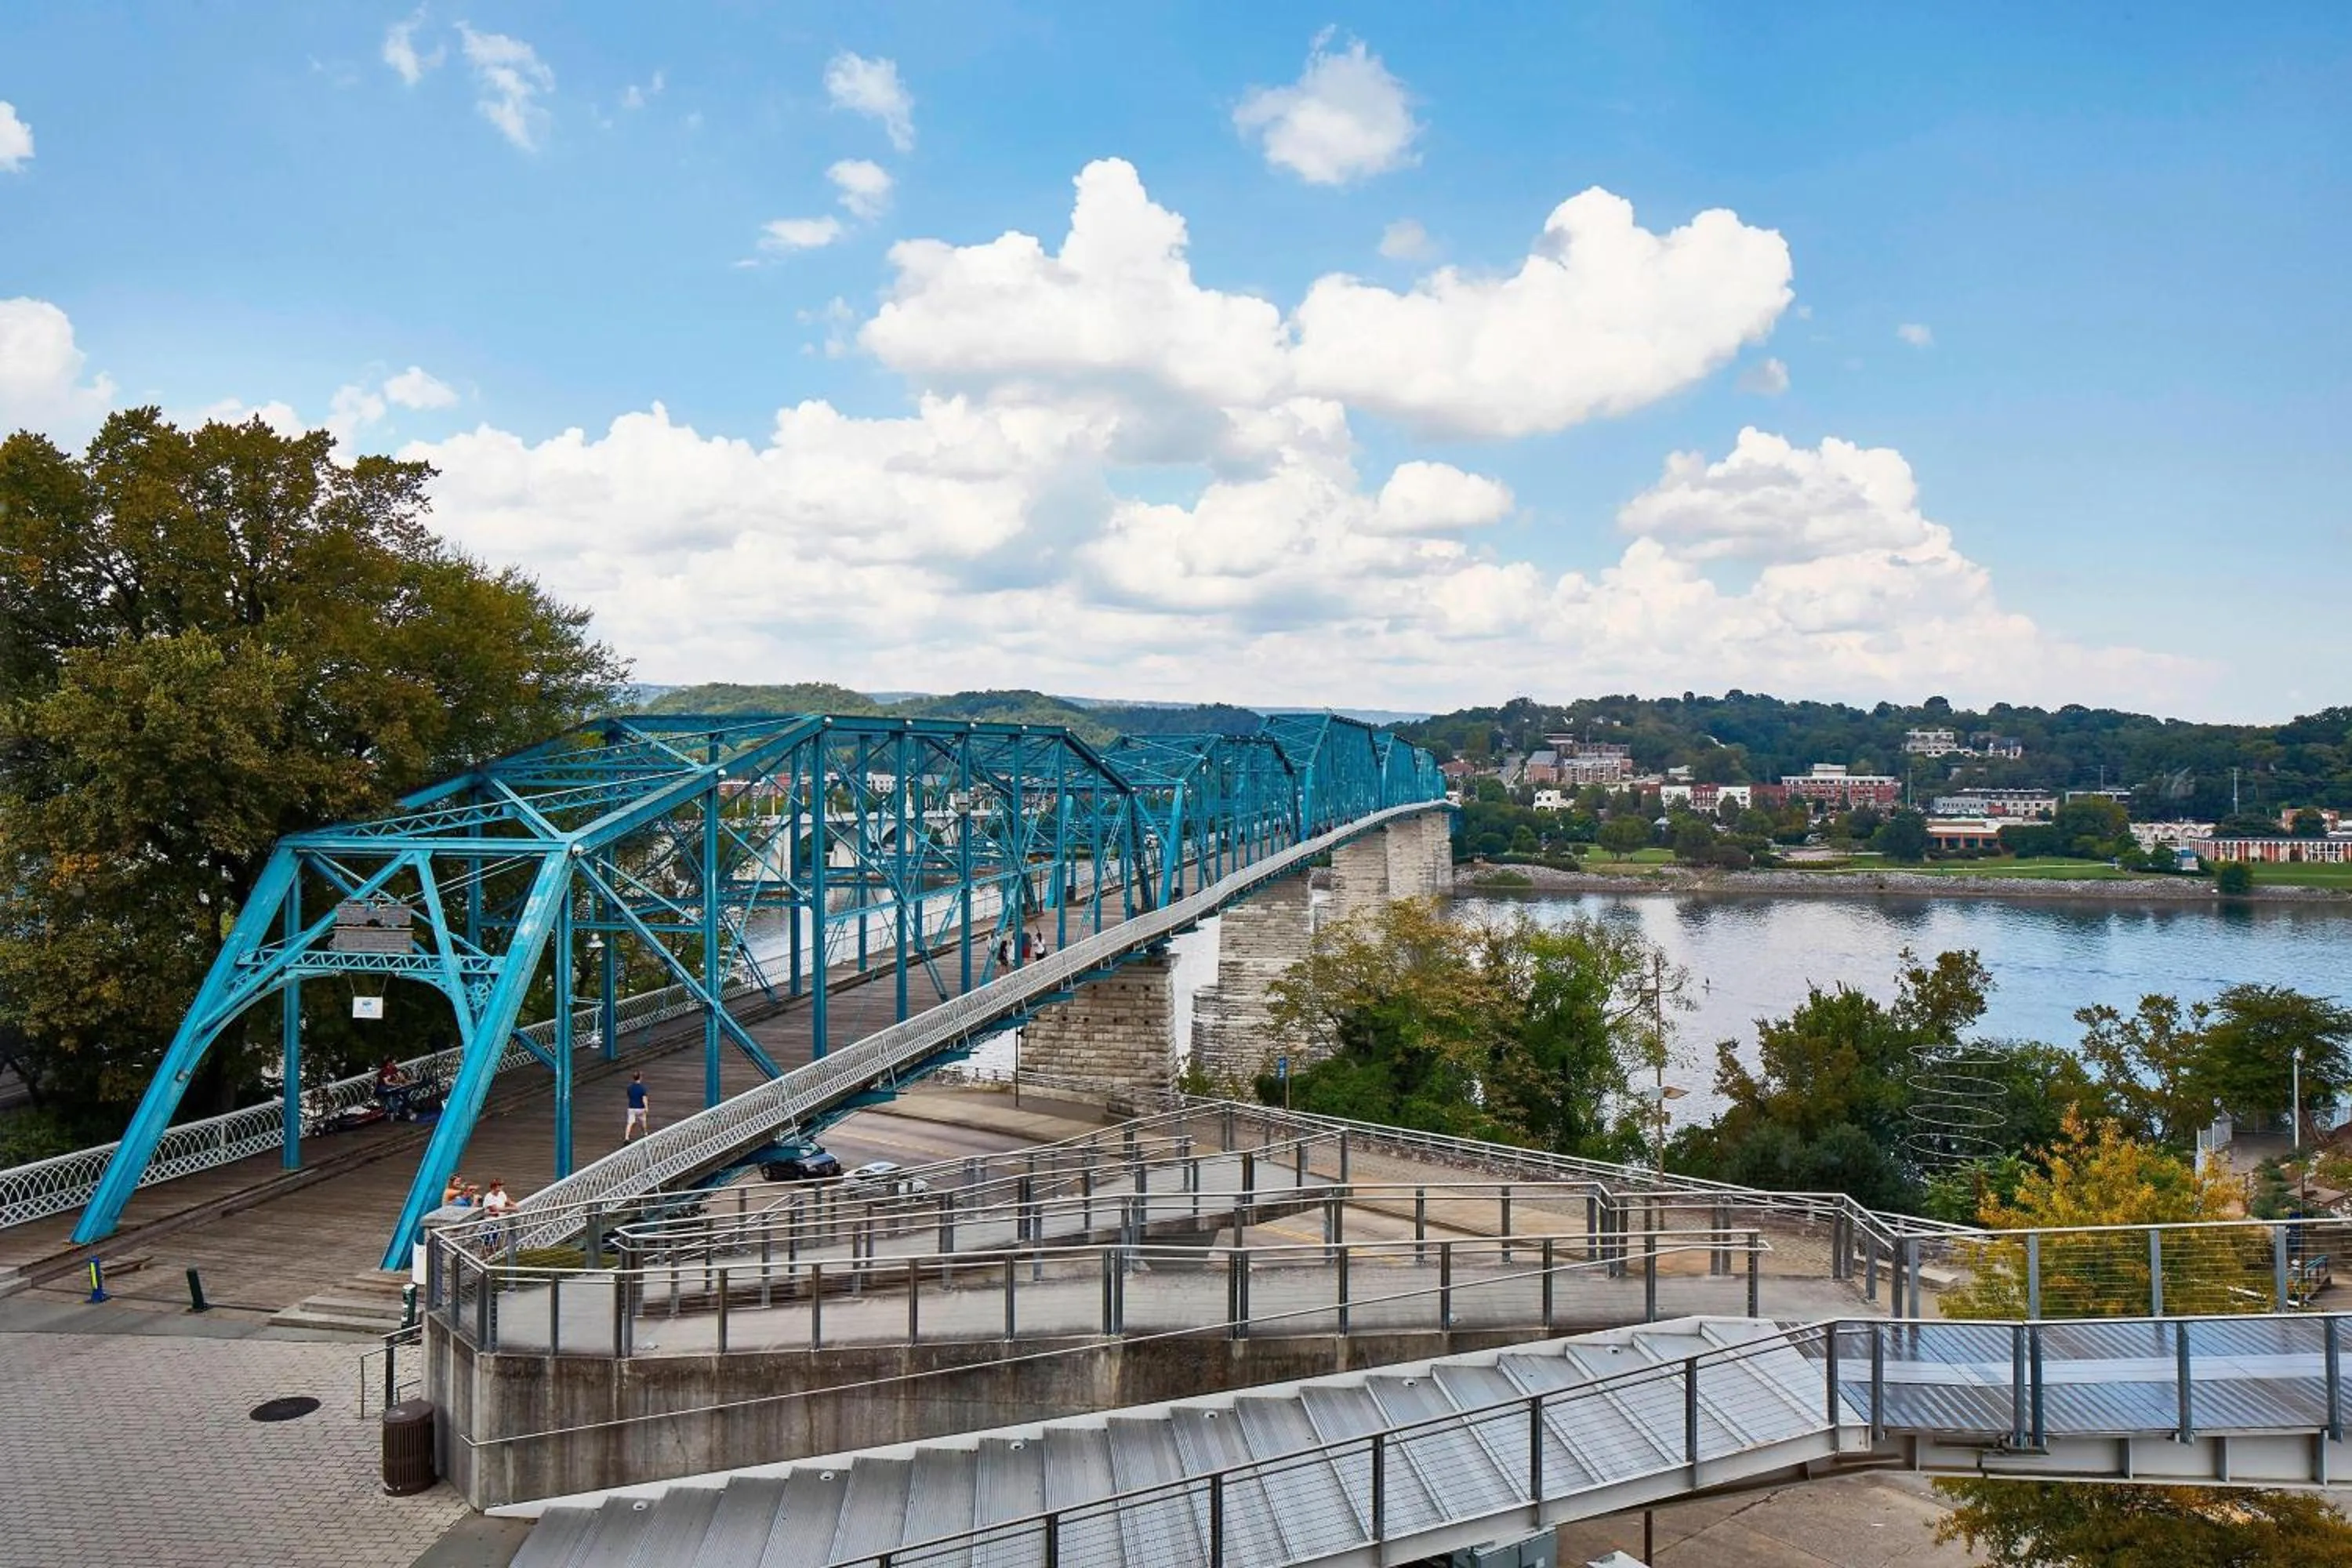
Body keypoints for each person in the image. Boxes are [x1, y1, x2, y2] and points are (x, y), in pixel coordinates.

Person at [624, 1072, 649, 1140]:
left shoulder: (630, 1088)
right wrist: (646, 1108)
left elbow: (629, 1096)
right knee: (643, 1121)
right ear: (640, 1078)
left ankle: (626, 1137)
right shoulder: (642, 1088)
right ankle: (645, 1133)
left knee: (630, 1123)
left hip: (631, 1107)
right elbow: (644, 1099)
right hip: (640, 1108)